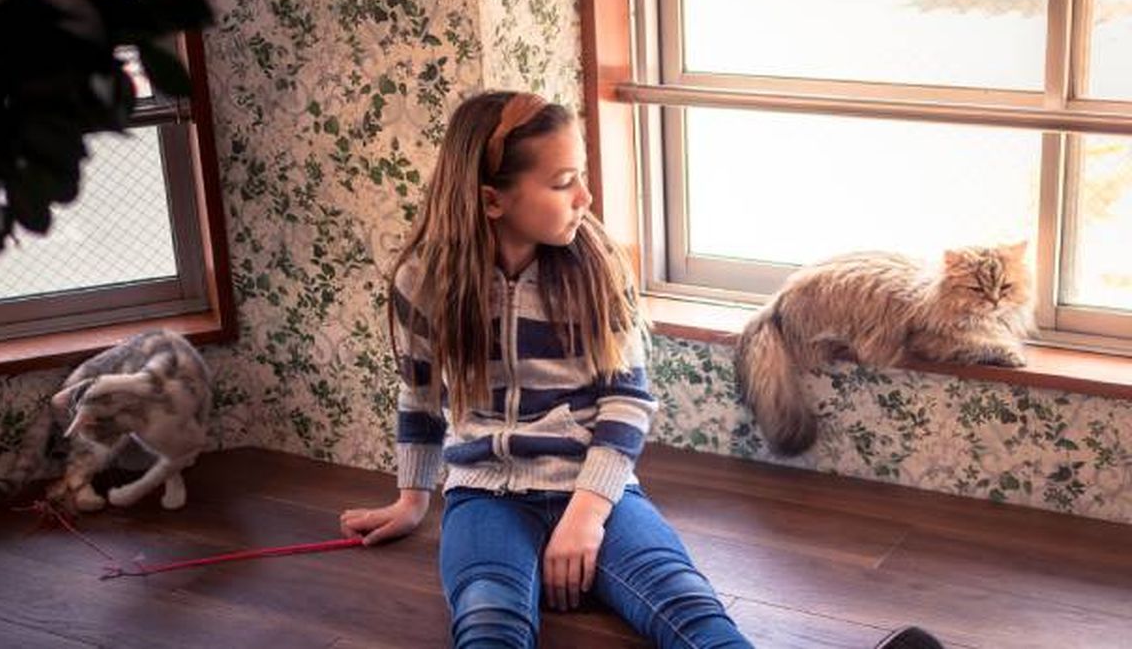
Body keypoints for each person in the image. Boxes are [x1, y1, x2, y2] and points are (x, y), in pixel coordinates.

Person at [340, 90, 945, 649]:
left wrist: (585, 514)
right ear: (492, 199)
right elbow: (418, 397)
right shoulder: (424, 281)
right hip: (485, 492)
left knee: (690, 608)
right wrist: (413, 498)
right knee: (488, 622)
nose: (586, 197)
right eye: (565, 182)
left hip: (596, 484)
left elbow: (627, 401)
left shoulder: (595, 265)